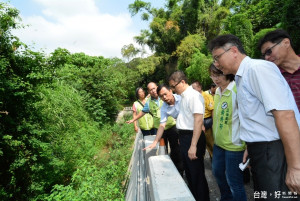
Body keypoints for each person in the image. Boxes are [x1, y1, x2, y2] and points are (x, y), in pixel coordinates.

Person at [209, 34, 300, 200]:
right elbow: (257, 120)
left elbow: (285, 115)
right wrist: (249, 148)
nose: (216, 64)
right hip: (261, 151)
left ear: (234, 51)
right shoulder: (241, 77)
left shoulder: (258, 69)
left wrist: (295, 167)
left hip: (274, 151)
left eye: (217, 57)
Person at [169, 71, 210, 201]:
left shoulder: (194, 96)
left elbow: (198, 120)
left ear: (182, 82)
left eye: (174, 86)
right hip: (185, 137)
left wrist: (193, 146)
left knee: (196, 174)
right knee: (190, 174)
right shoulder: (183, 97)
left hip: (193, 138)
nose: (173, 90)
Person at [209, 63, 247, 201]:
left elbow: (246, 117)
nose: (215, 79)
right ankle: (226, 198)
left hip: (234, 145)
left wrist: (248, 143)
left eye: (218, 74)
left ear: (227, 72)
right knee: (217, 173)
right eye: (212, 75)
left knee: (234, 182)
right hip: (219, 144)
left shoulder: (237, 89)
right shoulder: (217, 92)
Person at [127, 82, 183, 173]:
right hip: (160, 129)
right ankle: (167, 170)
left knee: (176, 149)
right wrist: (134, 120)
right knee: (162, 150)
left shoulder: (165, 98)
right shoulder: (149, 102)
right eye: (150, 90)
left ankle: (179, 170)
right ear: (148, 91)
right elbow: (143, 112)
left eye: (154, 88)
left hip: (171, 127)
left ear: (157, 87)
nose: (153, 91)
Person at [143, 84, 184, 174]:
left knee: (179, 151)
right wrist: (155, 142)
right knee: (171, 151)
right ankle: (178, 173)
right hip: (181, 130)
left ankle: (182, 170)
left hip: (188, 128)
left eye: (165, 94)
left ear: (170, 91)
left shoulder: (182, 98)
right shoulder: (164, 107)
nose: (164, 97)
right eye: (161, 96)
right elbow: (162, 125)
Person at [258, 29, 300, 111]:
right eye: (264, 56)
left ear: (286, 43)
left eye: (268, 51)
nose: (266, 58)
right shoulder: (272, 77)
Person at [192, 81, 214, 159]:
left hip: (207, 120)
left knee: (211, 143)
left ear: (199, 87)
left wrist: (213, 124)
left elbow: (212, 110)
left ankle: (214, 159)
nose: (193, 90)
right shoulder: (195, 97)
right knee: (203, 144)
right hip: (200, 122)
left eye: (194, 88)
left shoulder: (206, 96)